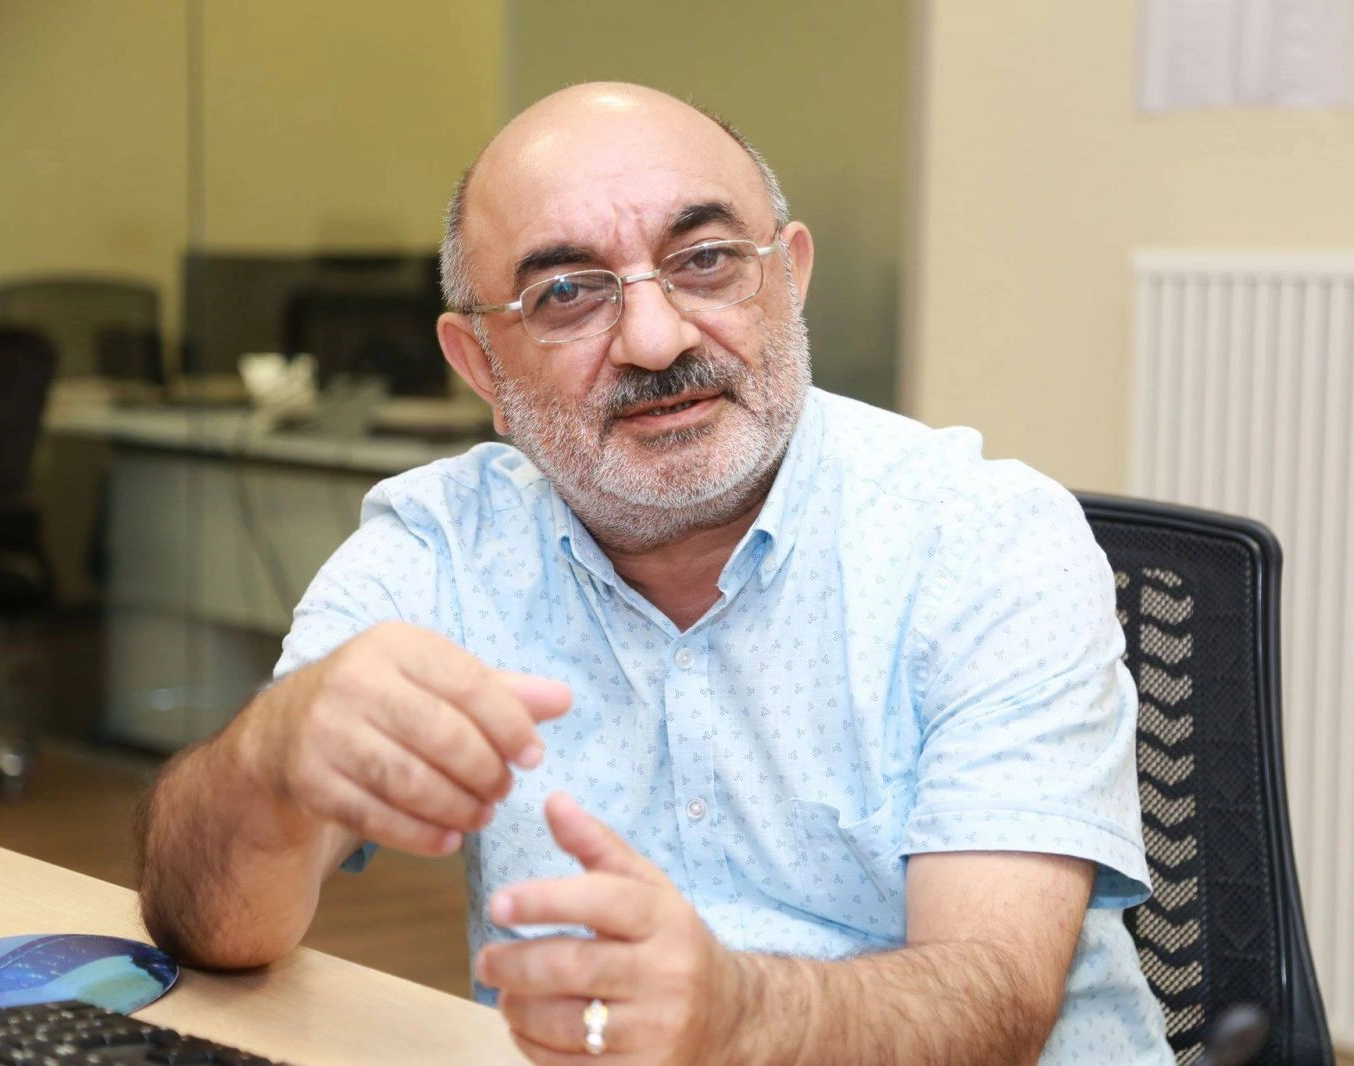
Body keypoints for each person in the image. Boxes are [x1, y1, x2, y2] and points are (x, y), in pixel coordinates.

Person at [137, 82, 1172, 1064]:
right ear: (481, 365)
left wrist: (739, 1017)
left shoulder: (983, 538)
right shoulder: (440, 545)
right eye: (566, 293)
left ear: (789, 277)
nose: (654, 336)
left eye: (707, 260)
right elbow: (214, 926)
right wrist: (261, 760)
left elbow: (996, 1007)